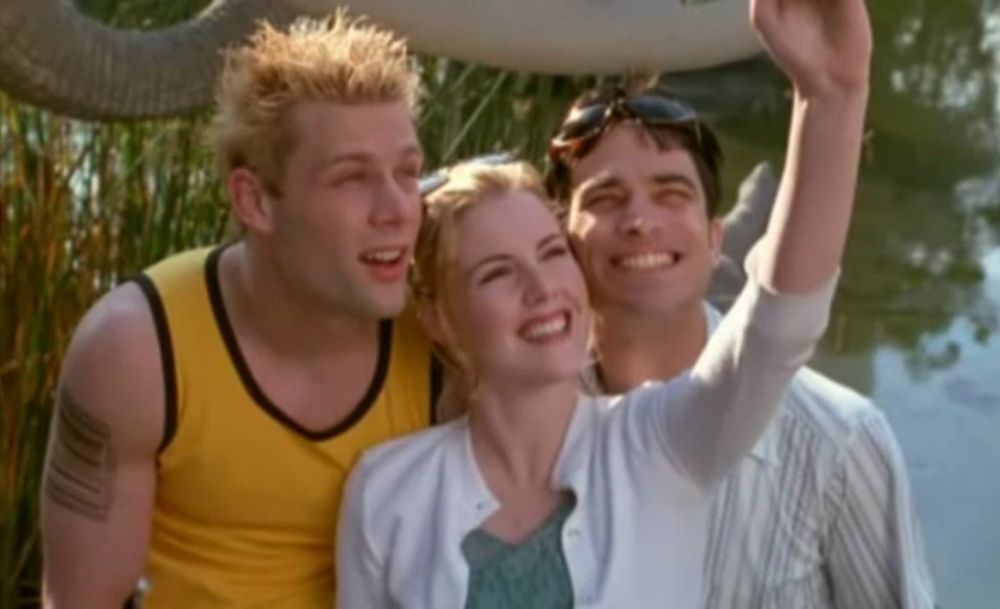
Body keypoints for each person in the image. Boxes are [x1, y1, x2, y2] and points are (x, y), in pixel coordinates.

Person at [335, 3, 870, 606]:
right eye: (496, 272)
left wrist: (831, 96)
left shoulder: (657, 442)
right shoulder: (385, 492)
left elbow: (778, 326)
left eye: (550, 253)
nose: (542, 289)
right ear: (435, 317)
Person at [40, 13, 439, 609]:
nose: (398, 209)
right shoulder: (137, 349)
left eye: (407, 173)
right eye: (352, 178)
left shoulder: (441, 333)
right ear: (253, 200)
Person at [545, 6, 936, 609]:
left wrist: (831, 94)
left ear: (715, 241)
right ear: (558, 240)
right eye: (605, 198)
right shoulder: (518, 423)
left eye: (671, 193)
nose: (640, 220)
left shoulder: (840, 443)